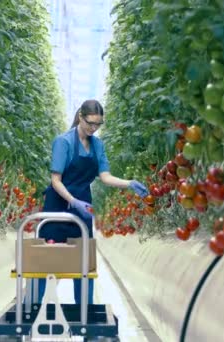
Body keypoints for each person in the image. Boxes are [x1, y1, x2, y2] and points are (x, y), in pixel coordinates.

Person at [36, 99, 148, 305]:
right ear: (81, 117)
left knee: (83, 261)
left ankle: (83, 312)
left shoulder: (97, 145)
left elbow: (105, 176)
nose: (94, 128)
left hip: (81, 208)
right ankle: (32, 308)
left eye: (98, 124)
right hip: (57, 207)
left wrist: (129, 183)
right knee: (46, 261)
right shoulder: (64, 142)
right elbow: (55, 180)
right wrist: (72, 201)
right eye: (90, 123)